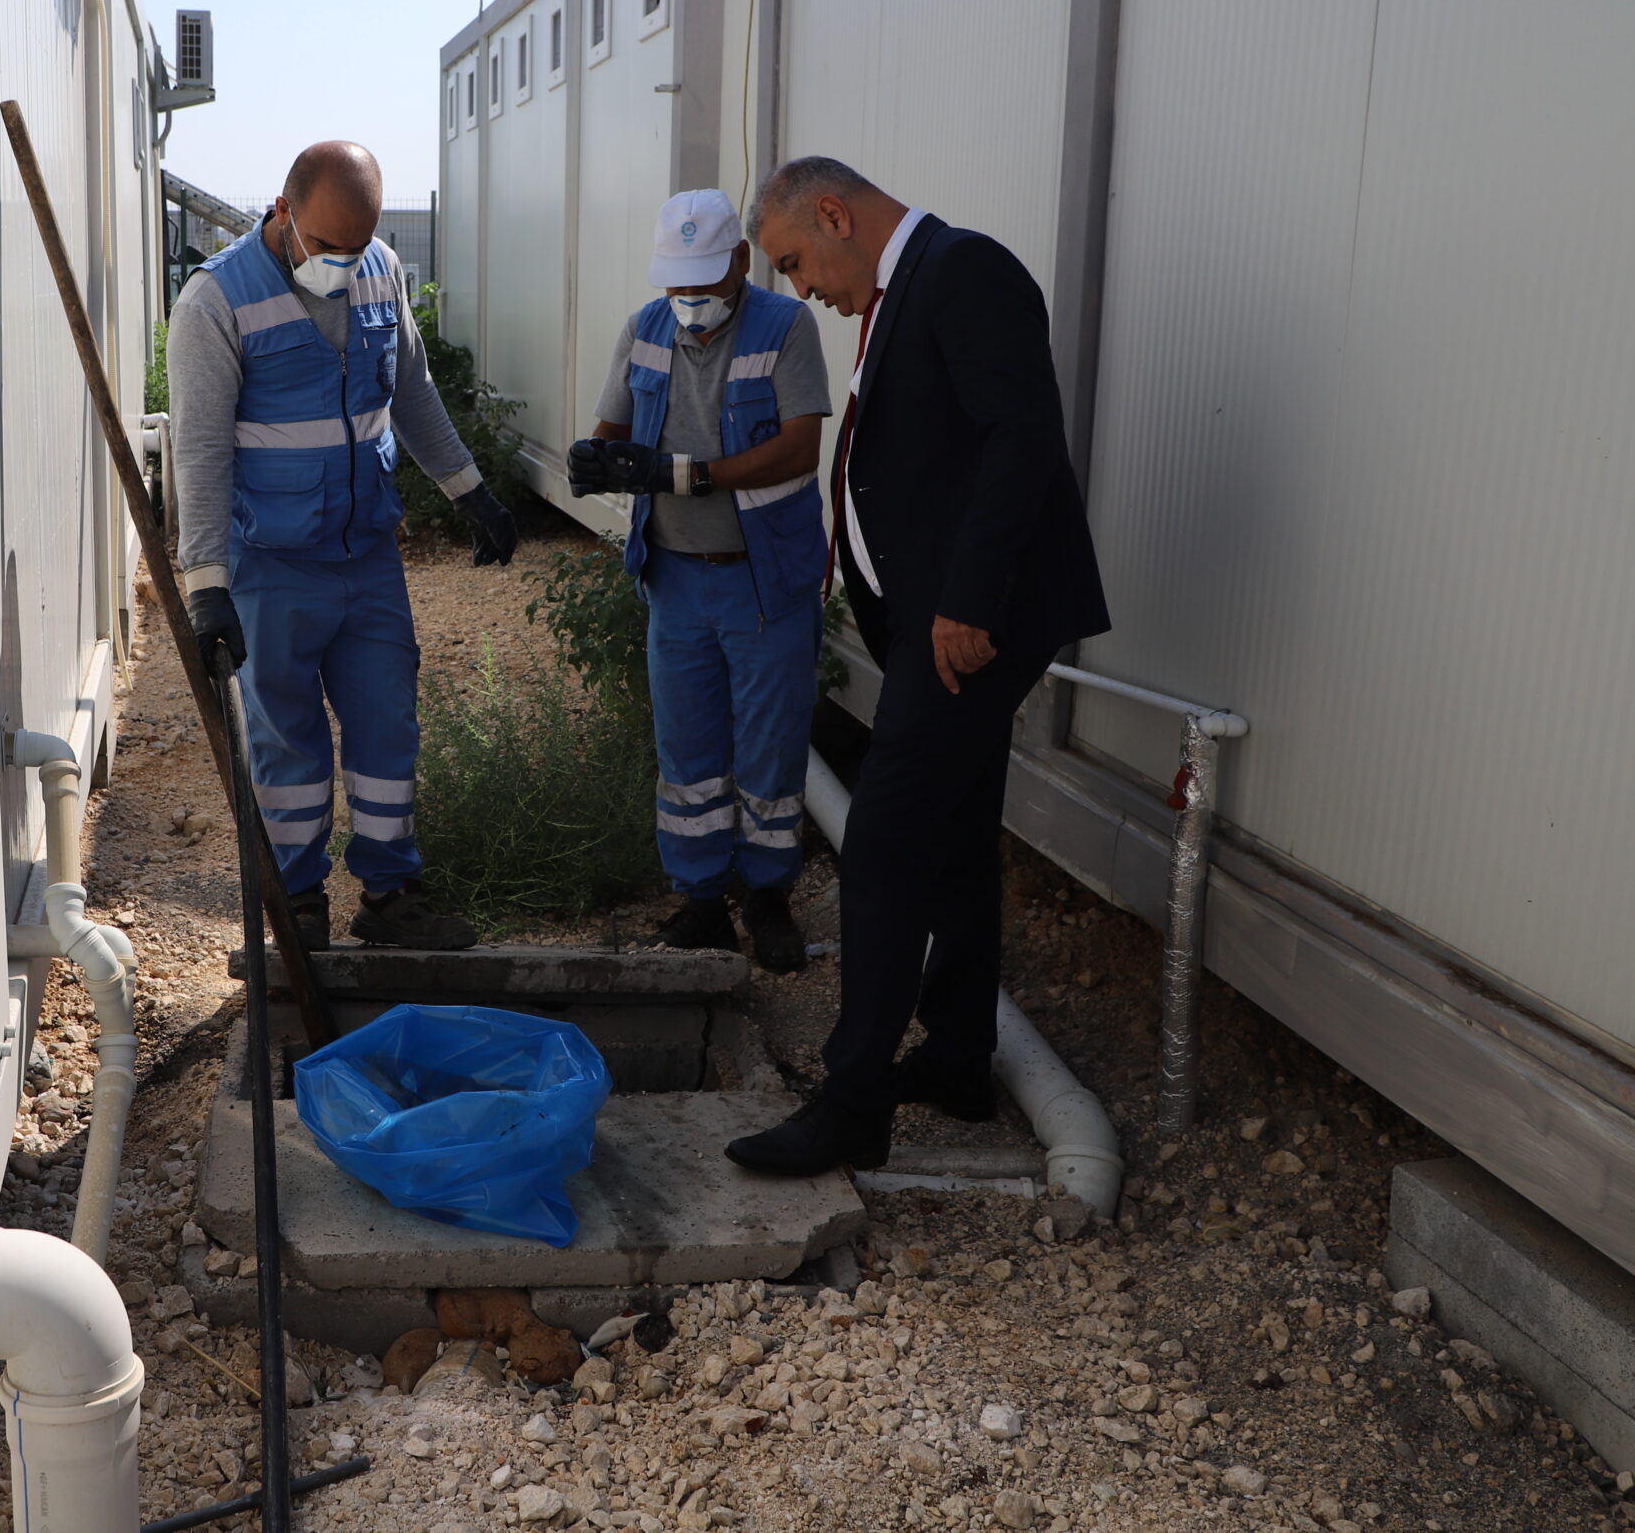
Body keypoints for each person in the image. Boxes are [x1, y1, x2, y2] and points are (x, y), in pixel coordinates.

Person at [724, 157, 1110, 1176]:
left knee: (886, 842)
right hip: (936, 624)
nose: (800, 285)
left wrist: (968, 601)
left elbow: (1021, 441)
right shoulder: (913, 285)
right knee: (952, 835)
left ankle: (852, 1106)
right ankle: (956, 1053)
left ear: (838, 214)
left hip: (970, 624)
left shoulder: (962, 271)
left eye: (797, 259)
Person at [169, 141, 518, 952]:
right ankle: (299, 906)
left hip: (366, 557)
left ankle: (391, 895)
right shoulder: (215, 302)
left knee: (386, 724)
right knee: (286, 735)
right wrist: (206, 584)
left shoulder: (380, 270)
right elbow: (198, 453)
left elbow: (413, 394)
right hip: (273, 565)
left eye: (357, 247)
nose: (343, 263)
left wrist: (471, 491)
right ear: (284, 212)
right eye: (328, 246)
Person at [566, 190, 832, 971]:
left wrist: (685, 474)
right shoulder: (645, 331)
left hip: (764, 582)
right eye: (678, 287)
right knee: (688, 752)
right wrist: (597, 457)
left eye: (705, 286)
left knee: (770, 750)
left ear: (741, 265)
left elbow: (797, 449)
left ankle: (770, 897)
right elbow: (615, 431)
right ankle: (703, 901)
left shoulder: (787, 328)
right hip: (676, 581)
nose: (690, 304)